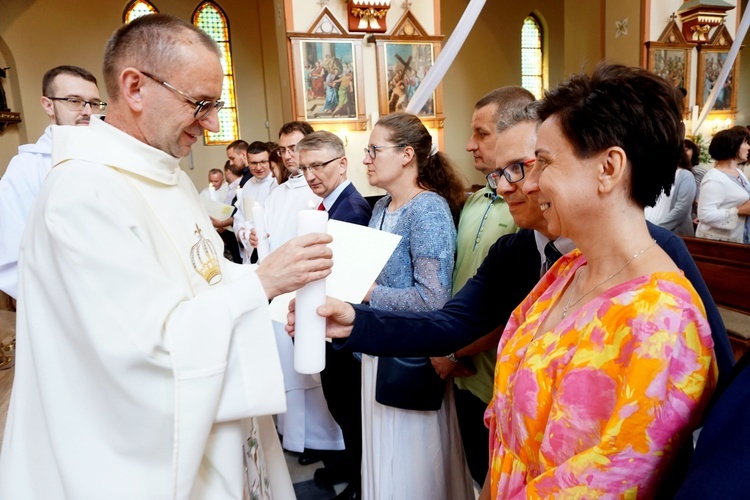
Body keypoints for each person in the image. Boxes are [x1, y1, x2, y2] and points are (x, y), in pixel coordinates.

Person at [292, 65, 723, 498]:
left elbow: (612, 474)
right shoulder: (564, 269)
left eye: (541, 163)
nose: (526, 185)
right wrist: (354, 321)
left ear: (609, 167)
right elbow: (454, 323)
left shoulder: (662, 309)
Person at [0, 14, 334, 499]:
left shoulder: (166, 174)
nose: (213, 123)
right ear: (134, 87)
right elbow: (142, 353)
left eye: (214, 104)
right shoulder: (84, 192)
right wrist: (261, 282)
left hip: (225, 436)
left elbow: (202, 278)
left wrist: (272, 274)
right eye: (200, 104)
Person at [358, 112, 472, 499]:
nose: (366, 158)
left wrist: (369, 293)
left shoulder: (427, 210)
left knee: (412, 469)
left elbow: (433, 298)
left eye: (374, 150)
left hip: (410, 358)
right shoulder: (381, 208)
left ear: (407, 154)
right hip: (379, 348)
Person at [432, 87, 531, 485]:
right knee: (478, 473)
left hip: (498, 373)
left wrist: (451, 349)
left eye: (482, 133)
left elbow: (518, 306)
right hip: (465, 371)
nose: (469, 144)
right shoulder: (474, 203)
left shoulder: (526, 212)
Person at [252, 121, 345, 466]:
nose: (289, 156)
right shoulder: (279, 191)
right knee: (292, 368)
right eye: (285, 150)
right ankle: (302, 437)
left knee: (315, 376)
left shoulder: (317, 192)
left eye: (296, 148)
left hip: (310, 289)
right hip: (283, 287)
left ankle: (327, 444)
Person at [297, 131, 371, 499]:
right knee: (341, 410)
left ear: (342, 163)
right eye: (303, 168)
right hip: (330, 327)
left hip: (344, 334)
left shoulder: (352, 209)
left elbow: (348, 281)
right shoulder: (328, 206)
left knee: (351, 414)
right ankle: (351, 472)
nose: (310, 175)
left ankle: (360, 485)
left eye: (317, 165)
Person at [0, 65, 104, 299]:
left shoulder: (114, 157)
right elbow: (9, 262)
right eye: (74, 101)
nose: (88, 111)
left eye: (94, 103)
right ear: (48, 105)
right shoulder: (27, 168)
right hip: (63, 305)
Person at [696, 127, 750, 243]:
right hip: (721, 244)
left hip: (741, 236)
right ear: (733, 145)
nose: (748, 147)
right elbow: (705, 215)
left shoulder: (739, 172)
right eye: (745, 143)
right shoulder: (714, 178)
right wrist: (740, 210)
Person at [645, 148, 697, 236]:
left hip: (669, 233)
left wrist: (657, 229)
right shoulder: (656, 174)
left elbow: (682, 209)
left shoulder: (685, 175)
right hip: (647, 231)